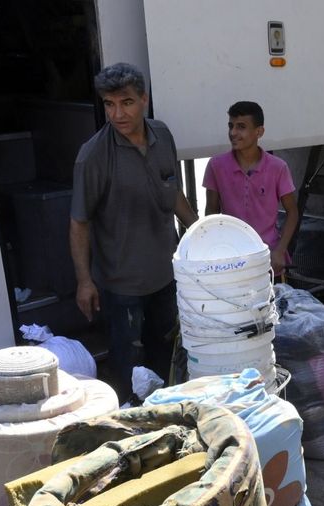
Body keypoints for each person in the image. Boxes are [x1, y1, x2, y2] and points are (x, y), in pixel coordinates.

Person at [69, 63, 198, 397]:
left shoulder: (163, 135)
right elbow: (79, 221)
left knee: (166, 359)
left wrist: (202, 234)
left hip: (165, 276)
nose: (116, 114)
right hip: (121, 284)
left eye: (125, 102)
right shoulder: (93, 155)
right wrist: (84, 281)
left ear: (144, 99)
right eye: (109, 104)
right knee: (129, 368)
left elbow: (174, 194)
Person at [203, 101, 299, 275]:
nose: (233, 133)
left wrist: (279, 251)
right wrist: (213, 249)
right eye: (231, 126)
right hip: (231, 259)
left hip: (268, 258)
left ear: (259, 132)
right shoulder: (215, 166)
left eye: (241, 127)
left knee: (271, 302)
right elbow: (211, 212)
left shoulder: (278, 168)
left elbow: (293, 212)